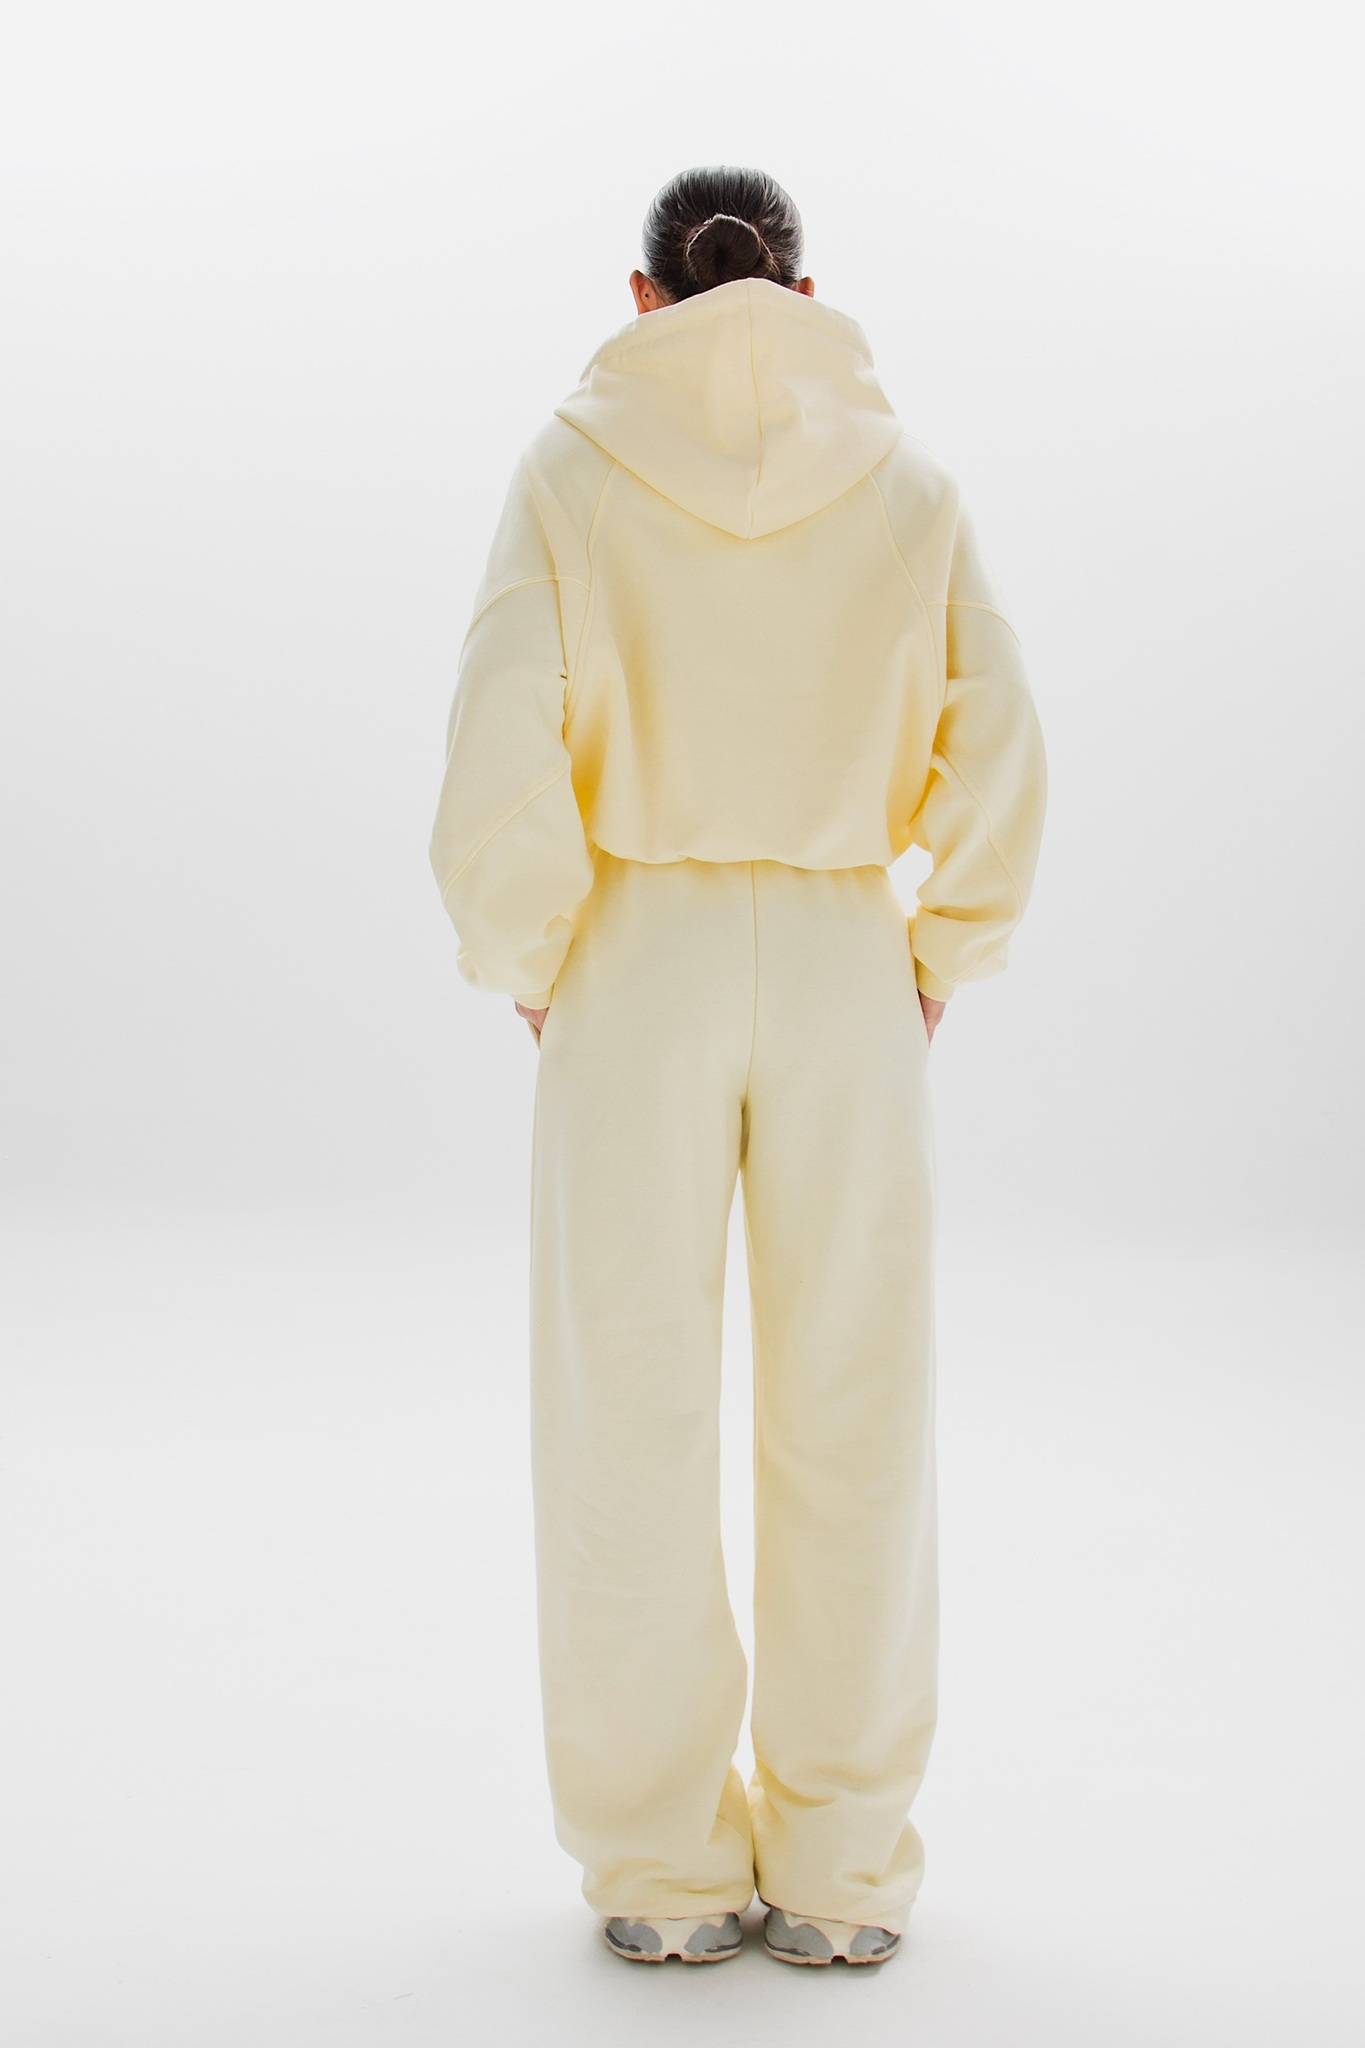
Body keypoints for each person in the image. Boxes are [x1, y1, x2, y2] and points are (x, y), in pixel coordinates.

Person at [428, 164, 1047, 1969]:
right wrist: (939, 947)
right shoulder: (906, 485)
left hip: (637, 954)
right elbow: (999, 735)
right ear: (800, 290)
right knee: (858, 1408)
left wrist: (534, 955)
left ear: (643, 297)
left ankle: (662, 1870)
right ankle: (840, 1872)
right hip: (847, 952)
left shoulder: (572, 470)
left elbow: (499, 731)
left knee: (623, 1407)